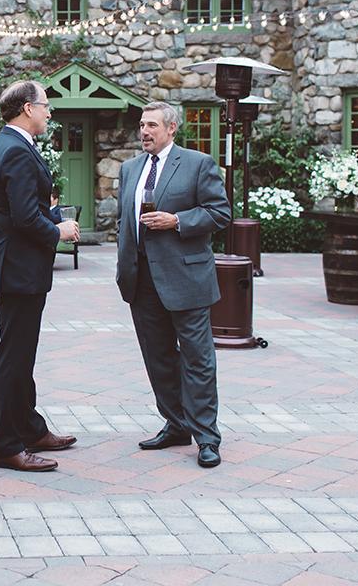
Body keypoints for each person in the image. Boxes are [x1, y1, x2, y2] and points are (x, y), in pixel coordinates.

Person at [117, 101, 231, 469]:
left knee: (198, 360)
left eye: (152, 125)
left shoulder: (198, 164)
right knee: (159, 358)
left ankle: (207, 438)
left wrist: (177, 221)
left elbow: (220, 213)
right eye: (141, 125)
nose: (144, 132)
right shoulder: (130, 169)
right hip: (141, 280)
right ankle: (177, 423)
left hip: (186, 279)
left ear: (171, 129)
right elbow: (123, 221)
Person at [0, 81, 80, 472]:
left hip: (14, 265)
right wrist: (58, 230)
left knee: (21, 353)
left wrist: (49, 218)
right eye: (45, 105)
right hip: (18, 268)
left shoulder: (3, 145)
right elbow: (22, 217)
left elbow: (13, 209)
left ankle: (29, 428)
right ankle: (6, 445)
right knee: (14, 358)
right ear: (27, 108)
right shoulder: (16, 150)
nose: (49, 112)